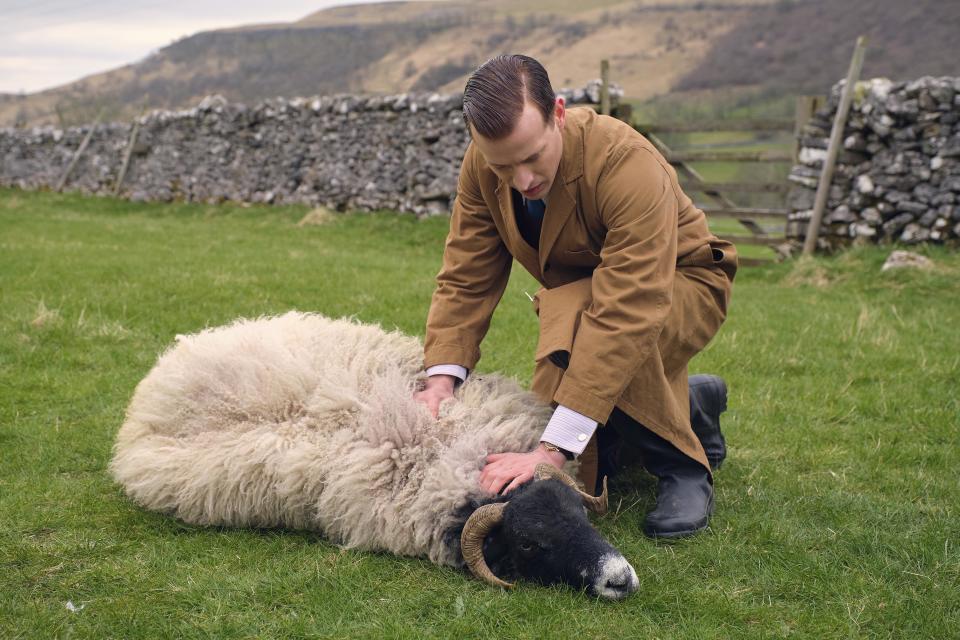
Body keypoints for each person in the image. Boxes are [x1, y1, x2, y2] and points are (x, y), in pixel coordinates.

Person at [413, 54, 737, 538]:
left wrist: (551, 451)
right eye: (504, 165)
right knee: (595, 441)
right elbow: (466, 275)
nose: (523, 180)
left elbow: (627, 310)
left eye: (532, 156)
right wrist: (440, 379)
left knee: (582, 347)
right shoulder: (482, 169)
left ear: (558, 113)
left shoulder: (626, 164)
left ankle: (683, 468)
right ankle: (691, 401)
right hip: (583, 301)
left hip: (680, 283)